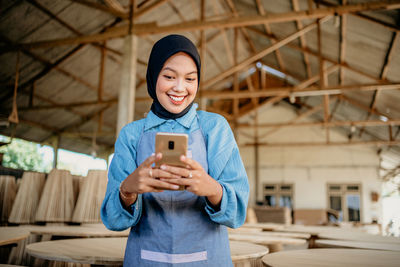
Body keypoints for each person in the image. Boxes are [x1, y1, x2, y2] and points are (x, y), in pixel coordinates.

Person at [101, 34, 249, 266]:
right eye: (169, 76)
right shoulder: (131, 134)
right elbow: (112, 219)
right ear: (153, 77)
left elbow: (238, 211)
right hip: (146, 259)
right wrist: (127, 191)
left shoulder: (215, 128)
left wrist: (212, 188)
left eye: (190, 78)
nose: (180, 87)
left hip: (207, 259)